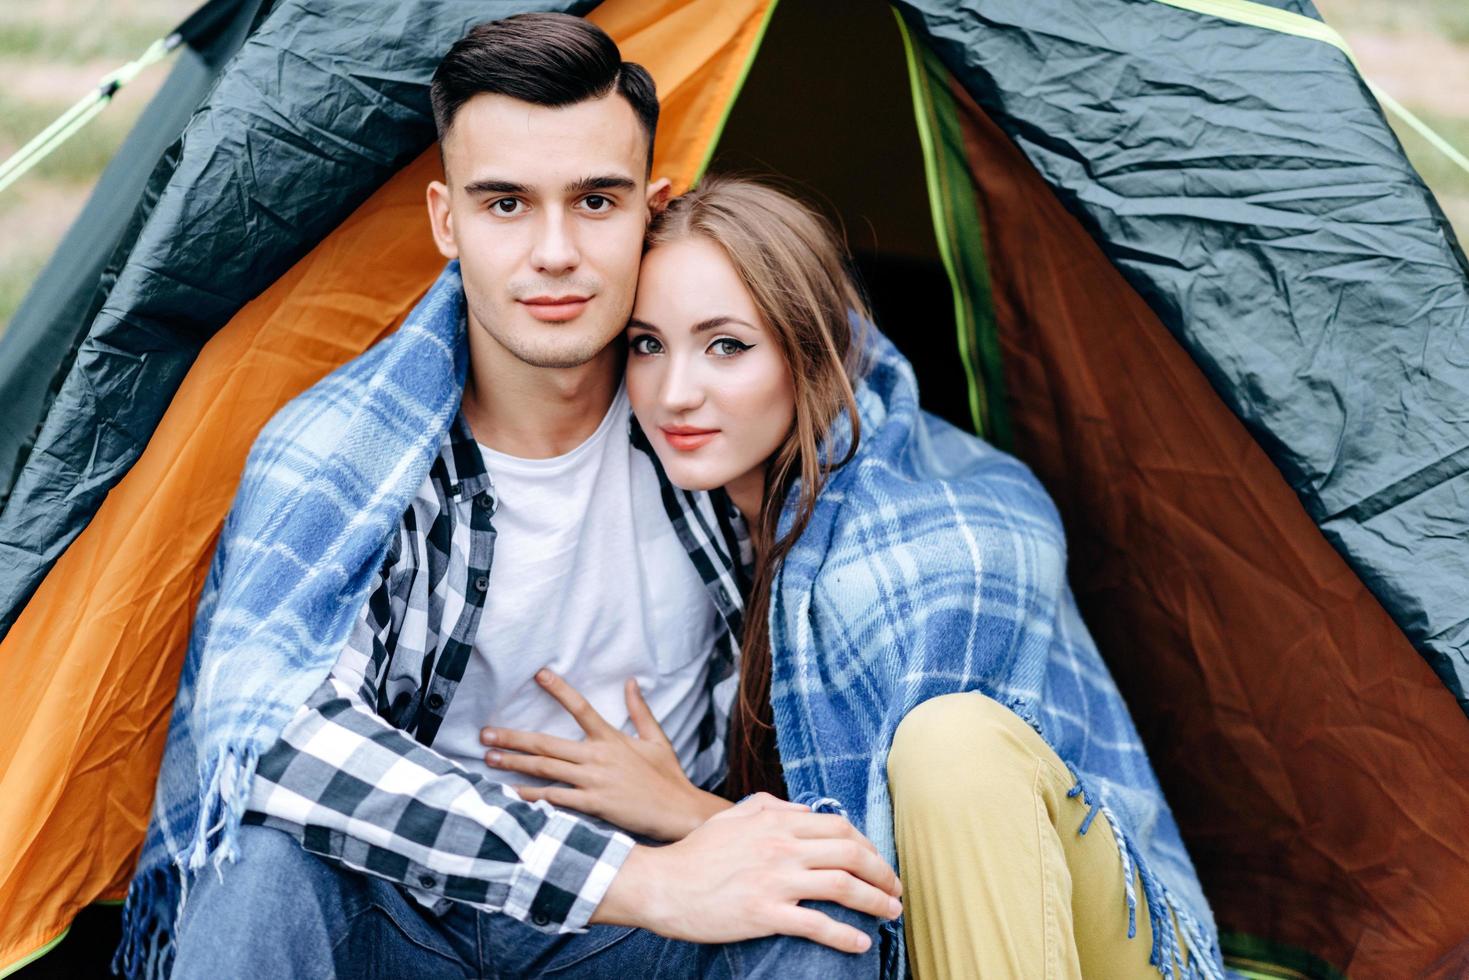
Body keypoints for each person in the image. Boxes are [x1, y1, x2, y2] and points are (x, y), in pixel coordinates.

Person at [115, 15, 902, 980]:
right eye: (505, 205)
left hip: (644, 931)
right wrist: (631, 877)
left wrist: (695, 836)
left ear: (650, 211)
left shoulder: (712, 421)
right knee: (261, 868)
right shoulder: (342, 450)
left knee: (824, 914)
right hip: (414, 909)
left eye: (596, 201)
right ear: (447, 222)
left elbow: (924, 482)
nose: (556, 251)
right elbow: (272, 735)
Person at [479, 176, 1229, 980]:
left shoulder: (943, 534)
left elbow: (932, 864)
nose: (675, 393)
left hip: (1102, 944)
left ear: (816, 354)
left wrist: (686, 814)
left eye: (726, 344)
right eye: (646, 344)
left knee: (952, 742)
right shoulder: (702, 526)